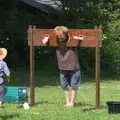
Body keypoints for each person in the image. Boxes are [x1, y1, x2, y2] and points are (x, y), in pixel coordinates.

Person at [42, 26, 83, 107]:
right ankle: (67, 102)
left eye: (61, 34)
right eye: (58, 35)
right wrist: (46, 39)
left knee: (74, 85)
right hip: (62, 67)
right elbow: (45, 43)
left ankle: (72, 102)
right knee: (64, 85)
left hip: (74, 66)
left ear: (65, 34)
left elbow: (80, 41)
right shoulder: (56, 41)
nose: (60, 36)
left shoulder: (72, 40)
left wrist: (79, 38)